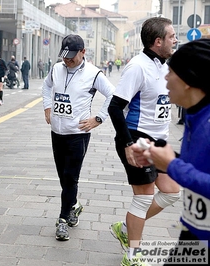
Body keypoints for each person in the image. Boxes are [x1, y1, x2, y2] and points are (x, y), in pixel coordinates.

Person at [107, 17, 180, 266]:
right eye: (171, 36)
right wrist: (128, 144)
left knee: (171, 192)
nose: (175, 40)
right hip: (136, 137)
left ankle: (127, 228)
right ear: (157, 41)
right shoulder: (137, 66)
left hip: (159, 141)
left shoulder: (165, 66)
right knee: (143, 198)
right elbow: (115, 108)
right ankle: (132, 256)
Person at [131, 38, 210, 265]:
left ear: (187, 80)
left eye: (171, 73)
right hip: (194, 235)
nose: (165, 79)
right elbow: (198, 166)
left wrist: (173, 166)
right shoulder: (194, 117)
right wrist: (157, 157)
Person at [42, 34, 115, 241]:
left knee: (71, 177)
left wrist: (98, 118)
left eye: (72, 57)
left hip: (78, 135)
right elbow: (46, 86)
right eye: (64, 56)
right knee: (63, 178)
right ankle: (74, 205)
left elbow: (112, 95)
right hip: (57, 132)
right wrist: (47, 106)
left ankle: (63, 220)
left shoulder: (94, 74)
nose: (67, 60)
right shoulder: (56, 68)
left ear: (83, 52)